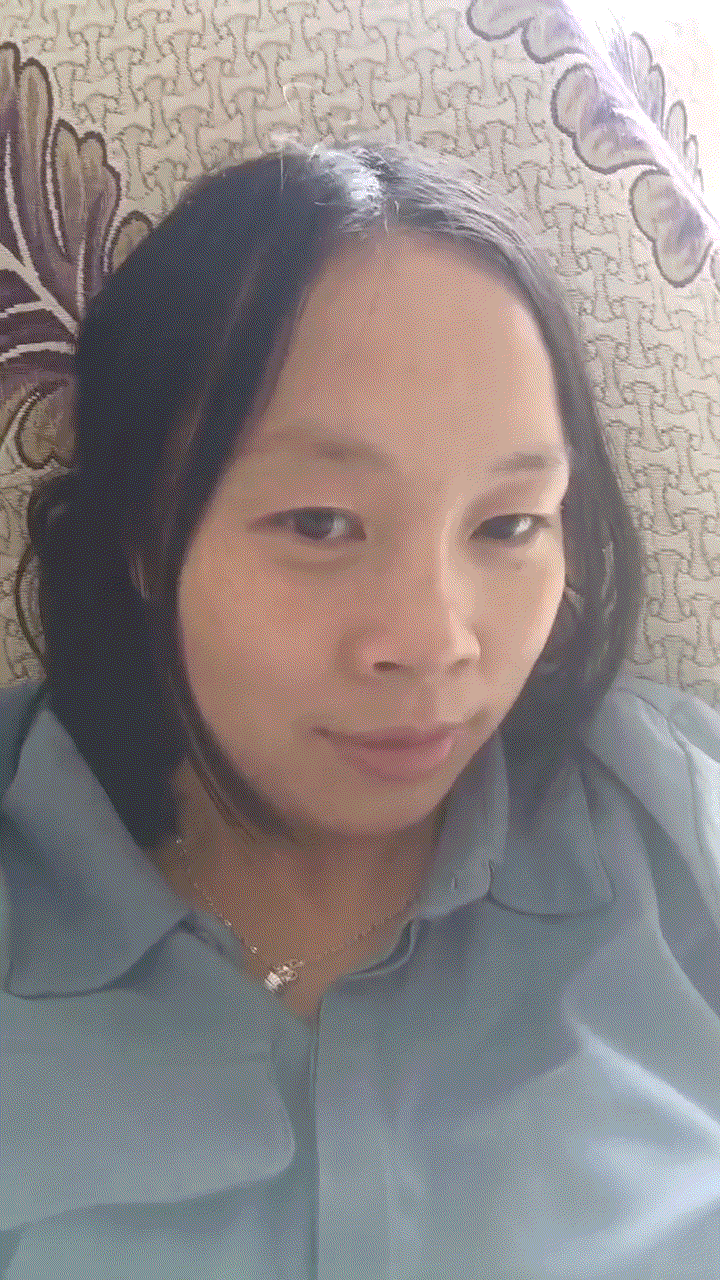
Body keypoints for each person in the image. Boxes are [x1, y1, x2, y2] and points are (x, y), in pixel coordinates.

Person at [1, 141, 719, 1279]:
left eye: (509, 525)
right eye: (321, 523)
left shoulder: (677, 822)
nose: (436, 641)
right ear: (142, 529)